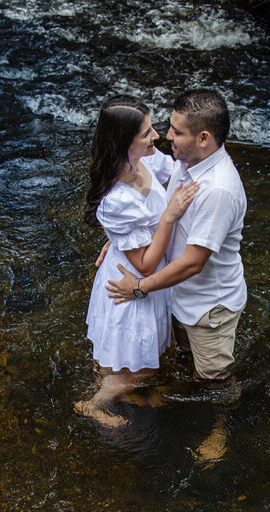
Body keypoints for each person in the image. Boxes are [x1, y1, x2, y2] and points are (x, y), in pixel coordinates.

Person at [106, 89, 247, 384]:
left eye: (177, 132)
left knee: (214, 381)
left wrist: (139, 288)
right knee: (185, 359)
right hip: (179, 293)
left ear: (204, 138)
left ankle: (224, 415)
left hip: (208, 306)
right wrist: (121, 237)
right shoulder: (187, 159)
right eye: (171, 127)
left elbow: (193, 262)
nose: (166, 136)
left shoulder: (217, 190)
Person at [77, 95, 200, 427]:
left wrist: (115, 239)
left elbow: (175, 170)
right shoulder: (117, 198)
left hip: (140, 275)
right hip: (132, 283)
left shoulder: (144, 159)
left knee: (120, 358)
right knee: (141, 369)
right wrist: (169, 216)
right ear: (124, 143)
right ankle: (94, 404)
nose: (156, 136)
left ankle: (104, 387)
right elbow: (145, 263)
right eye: (146, 133)